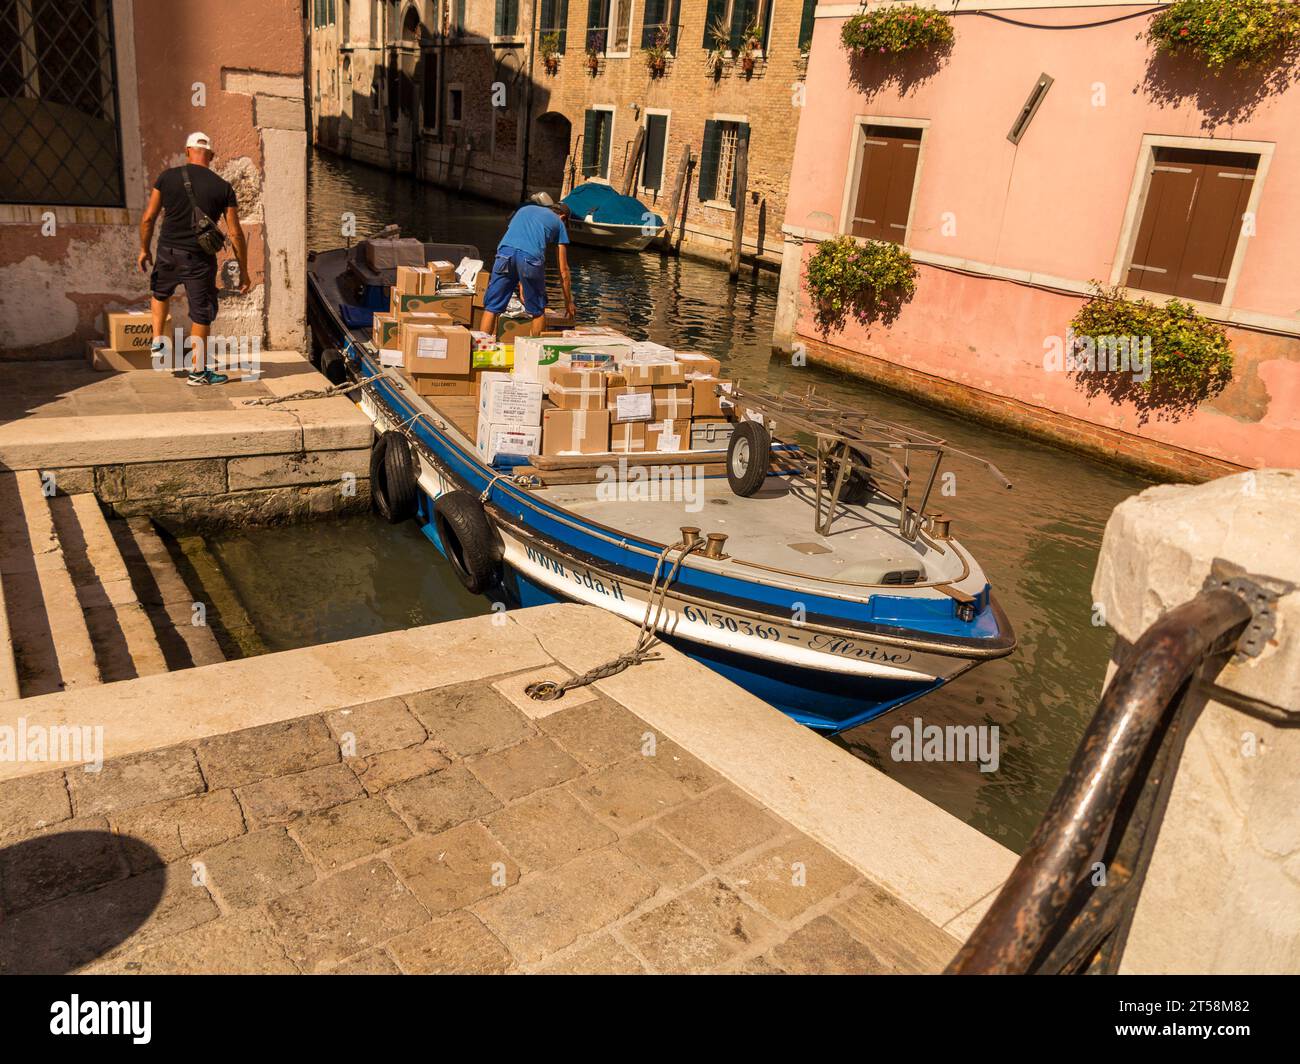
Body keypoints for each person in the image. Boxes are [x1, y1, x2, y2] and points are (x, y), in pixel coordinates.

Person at [137, 132, 250, 385]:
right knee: (201, 314)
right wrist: (244, 271)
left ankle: (157, 341)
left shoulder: (167, 177)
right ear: (210, 156)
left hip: (167, 251)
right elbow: (236, 233)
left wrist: (144, 249)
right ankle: (198, 372)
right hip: (199, 259)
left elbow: (148, 218)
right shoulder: (223, 187)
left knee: (160, 292)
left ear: (188, 152)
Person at [479, 200, 577, 338]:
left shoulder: (525, 209)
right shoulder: (559, 223)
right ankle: (533, 351)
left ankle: (481, 347)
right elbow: (564, 271)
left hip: (504, 254)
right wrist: (568, 302)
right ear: (563, 217)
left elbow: (517, 244)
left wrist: (522, 284)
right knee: (538, 311)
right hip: (530, 258)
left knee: (492, 307)